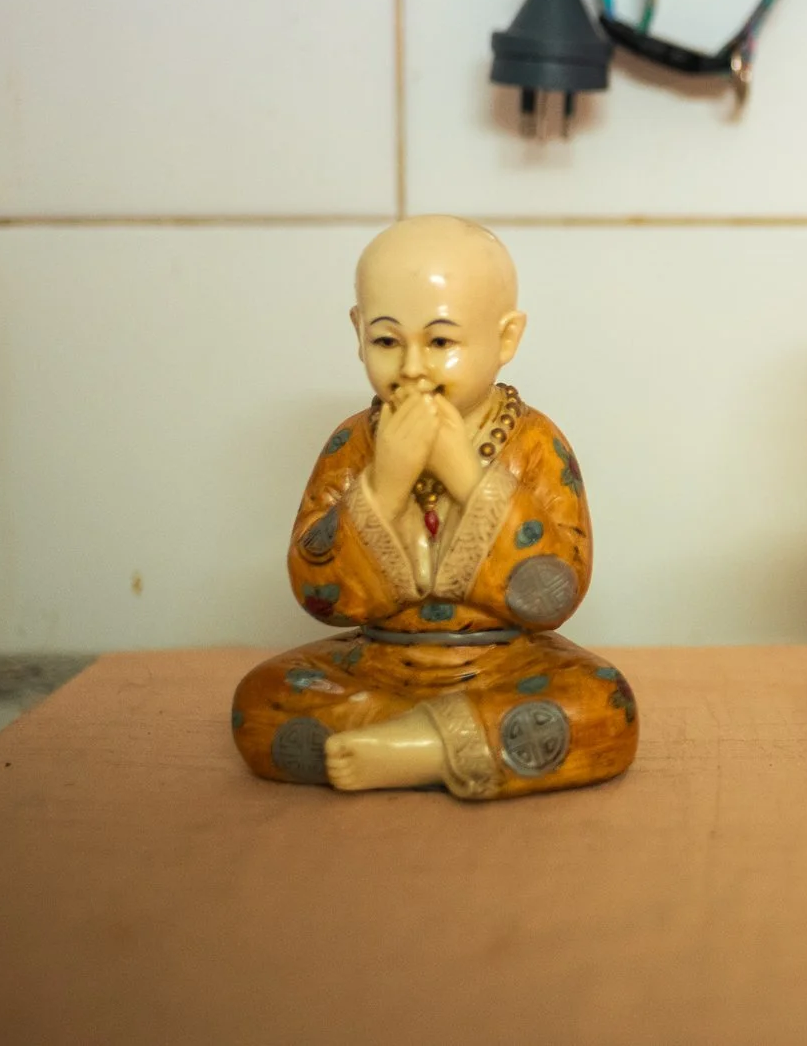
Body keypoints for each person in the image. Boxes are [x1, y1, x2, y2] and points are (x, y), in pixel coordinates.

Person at [230, 216, 636, 798]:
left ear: (506, 339)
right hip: (375, 665)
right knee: (260, 699)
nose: (412, 367)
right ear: (358, 330)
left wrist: (469, 478)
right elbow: (317, 591)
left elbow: (558, 589)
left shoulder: (536, 444)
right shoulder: (354, 444)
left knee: (603, 702)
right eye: (388, 341)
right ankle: (437, 740)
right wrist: (384, 487)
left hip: (505, 665)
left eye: (441, 342)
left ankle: (412, 749)